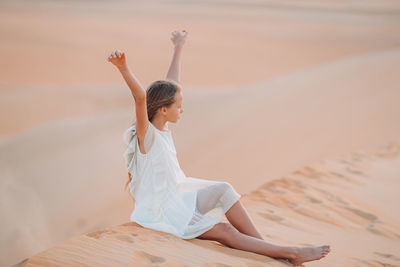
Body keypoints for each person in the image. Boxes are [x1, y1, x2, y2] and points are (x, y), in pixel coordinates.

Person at [107, 29, 330, 266]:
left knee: (224, 190)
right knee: (225, 231)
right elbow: (141, 98)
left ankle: (274, 252)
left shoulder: (162, 129)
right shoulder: (147, 135)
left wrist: (178, 47)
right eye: (178, 106)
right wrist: (123, 68)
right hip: (161, 211)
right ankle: (290, 253)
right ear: (163, 109)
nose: (182, 110)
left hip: (179, 194)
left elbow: (172, 84)